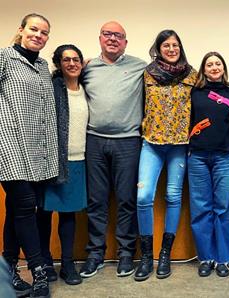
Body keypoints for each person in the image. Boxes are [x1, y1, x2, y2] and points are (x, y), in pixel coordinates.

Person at [80, 21, 147, 279]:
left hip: (128, 142)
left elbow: (172, 72)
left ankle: (127, 254)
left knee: (127, 200)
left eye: (118, 36)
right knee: (96, 201)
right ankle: (95, 254)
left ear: (125, 42)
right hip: (94, 141)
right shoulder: (87, 68)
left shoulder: (139, 66)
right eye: (108, 34)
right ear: (100, 39)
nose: (112, 39)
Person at [0, 12, 57, 298]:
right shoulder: (4, 57)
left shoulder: (43, 64)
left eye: (44, 32)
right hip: (9, 147)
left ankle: (7, 272)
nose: (38, 35)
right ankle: (38, 272)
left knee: (15, 212)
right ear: (21, 30)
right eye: (34, 29)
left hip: (37, 152)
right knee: (25, 208)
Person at [134, 29, 197, 281]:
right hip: (151, 142)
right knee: (143, 196)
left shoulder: (192, 75)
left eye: (175, 45)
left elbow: (217, 88)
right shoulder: (147, 73)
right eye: (166, 45)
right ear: (158, 49)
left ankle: (165, 254)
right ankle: (147, 256)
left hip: (180, 145)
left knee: (173, 196)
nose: (171, 49)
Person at [35, 44, 88, 286]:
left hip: (79, 160)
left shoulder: (86, 89)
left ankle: (67, 264)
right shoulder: (51, 88)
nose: (72, 63)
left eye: (76, 59)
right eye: (66, 60)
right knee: (44, 213)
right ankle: (45, 261)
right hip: (52, 161)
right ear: (58, 63)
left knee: (69, 215)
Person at [188, 52, 229, 278]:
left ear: (223, 68)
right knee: (201, 210)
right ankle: (205, 257)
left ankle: (223, 259)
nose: (214, 67)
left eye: (218, 63)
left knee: (224, 209)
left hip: (224, 158)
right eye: (209, 64)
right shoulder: (193, 92)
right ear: (203, 69)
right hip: (197, 157)